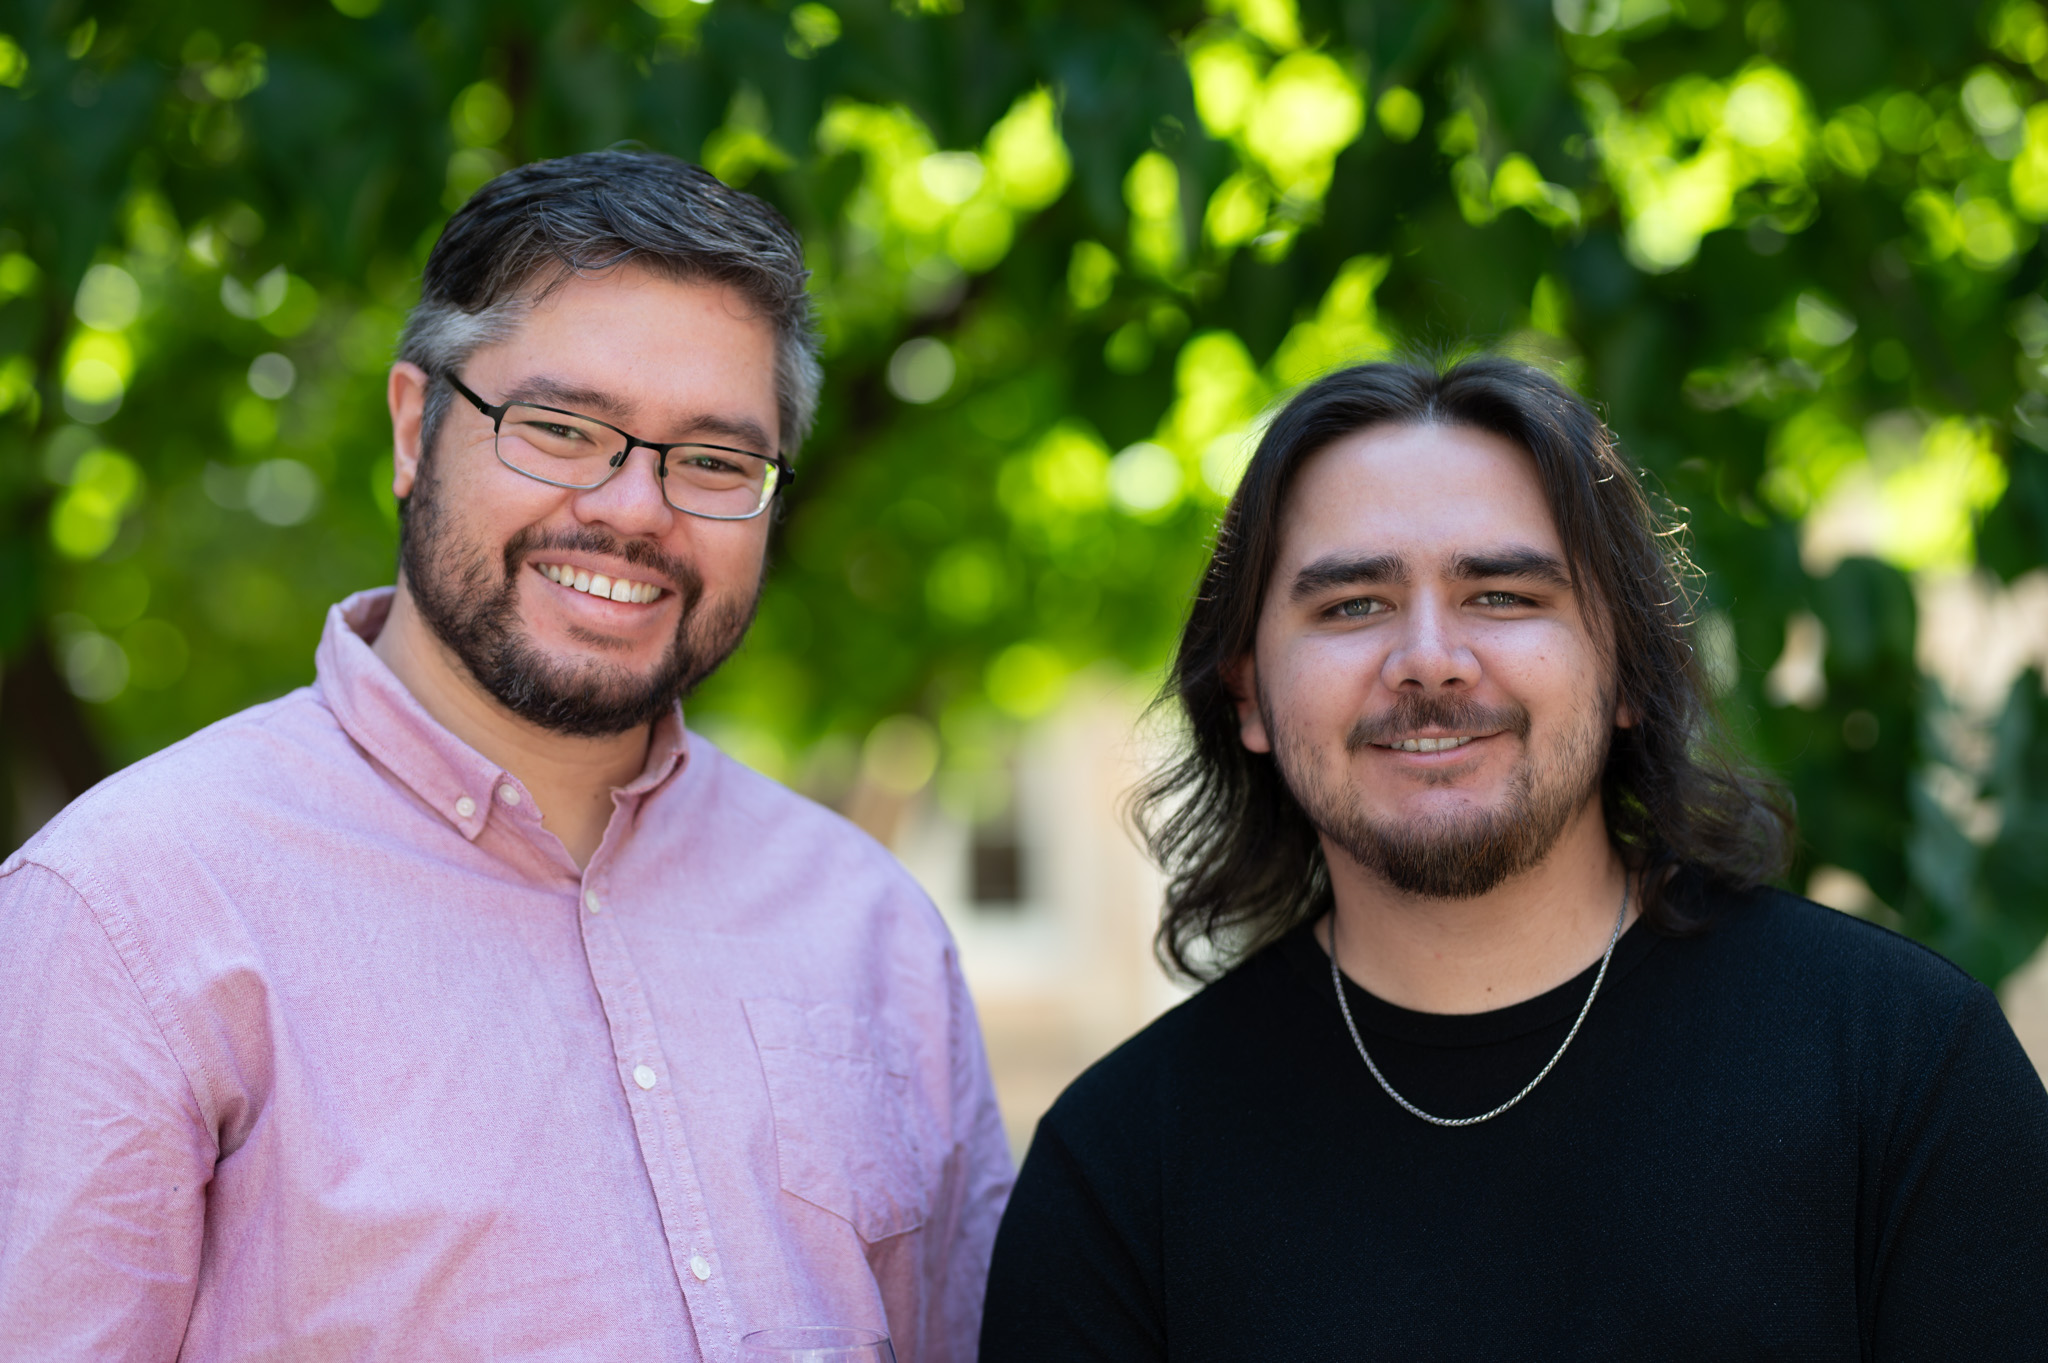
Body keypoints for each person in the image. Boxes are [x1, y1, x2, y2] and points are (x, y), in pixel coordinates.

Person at [0, 151, 1011, 1362]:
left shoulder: (874, 931)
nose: (633, 509)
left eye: (713, 461)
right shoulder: (127, 911)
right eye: (561, 429)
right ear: (413, 428)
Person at [979, 356, 2048, 1359]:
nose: (1428, 661)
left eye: (1502, 595)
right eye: (1352, 605)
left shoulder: (1904, 1070)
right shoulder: (1121, 1169)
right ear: (1249, 694)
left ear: (1627, 673)